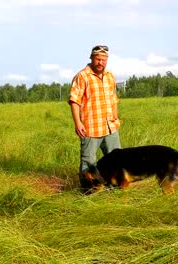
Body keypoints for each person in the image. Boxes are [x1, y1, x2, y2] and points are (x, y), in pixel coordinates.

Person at [68, 44, 121, 190]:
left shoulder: (110, 76)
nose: (101, 63)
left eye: (104, 59)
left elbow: (113, 98)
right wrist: (78, 123)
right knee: (88, 163)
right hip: (91, 129)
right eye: (98, 59)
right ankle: (88, 192)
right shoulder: (82, 76)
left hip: (110, 127)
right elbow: (74, 100)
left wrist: (115, 117)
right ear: (91, 58)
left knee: (116, 161)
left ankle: (114, 190)